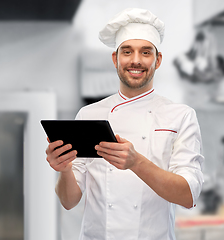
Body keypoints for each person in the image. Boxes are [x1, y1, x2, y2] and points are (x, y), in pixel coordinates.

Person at [46, 8, 204, 240]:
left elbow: (188, 196)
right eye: (127, 51)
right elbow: (69, 201)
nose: (136, 60)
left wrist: (136, 162)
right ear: (115, 58)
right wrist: (65, 169)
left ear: (157, 60)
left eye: (146, 52)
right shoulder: (88, 115)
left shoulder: (180, 116)